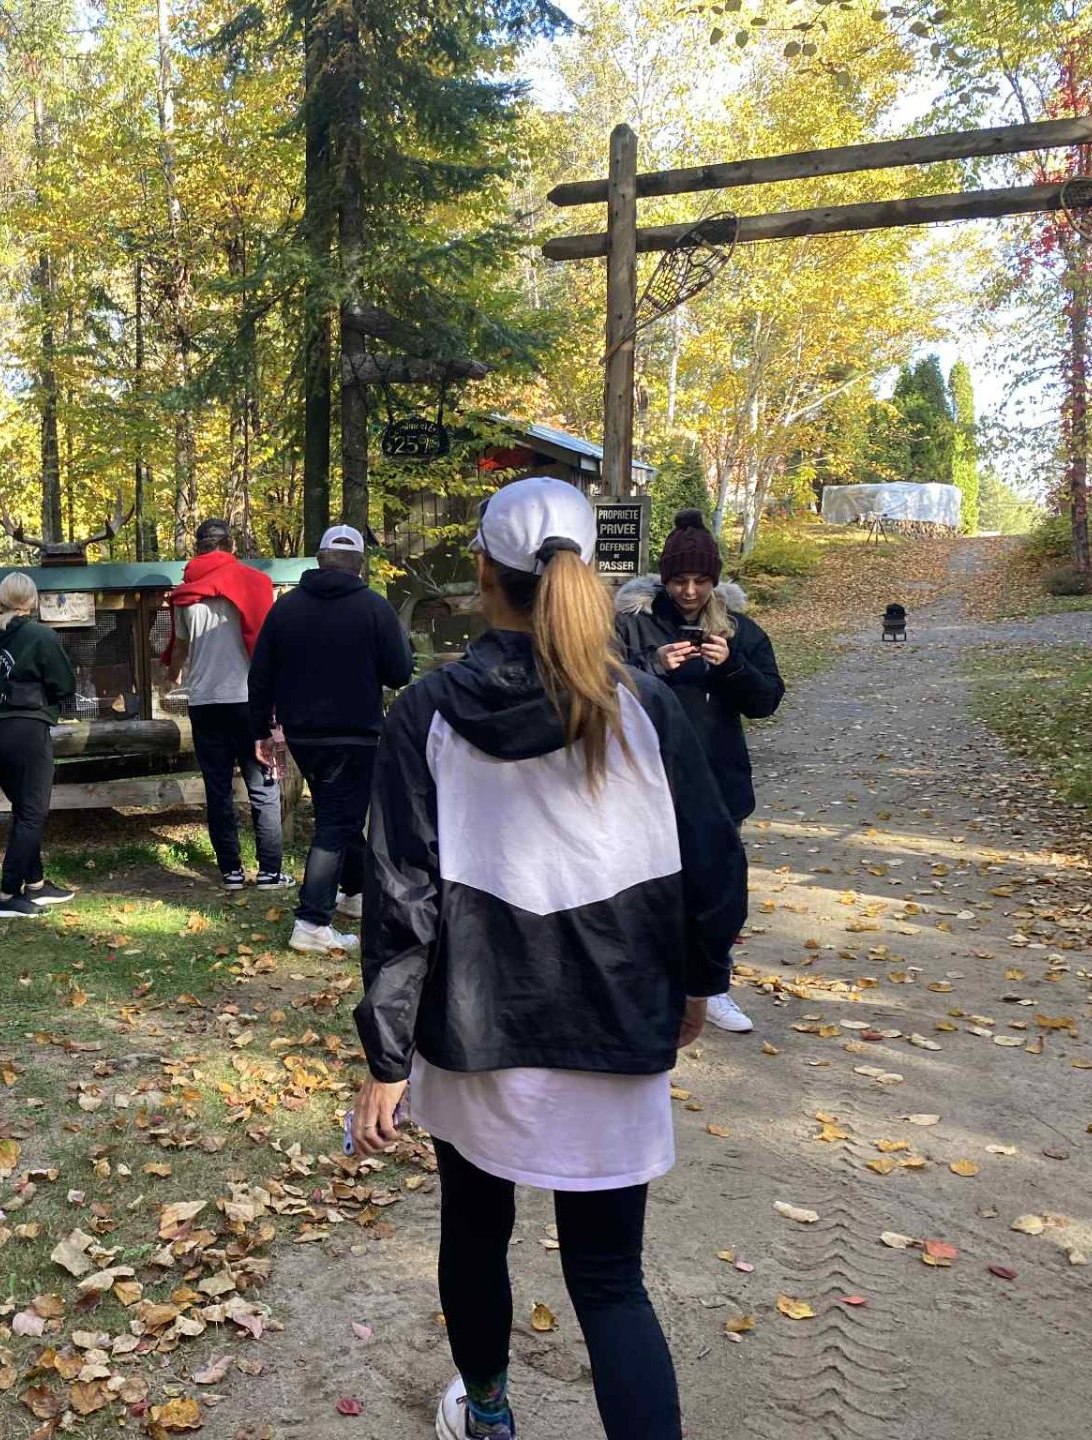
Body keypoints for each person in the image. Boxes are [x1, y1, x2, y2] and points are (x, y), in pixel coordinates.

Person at [349, 478, 747, 1440]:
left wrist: (386, 1057)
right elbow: (714, 862)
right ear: (588, 573)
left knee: (474, 1234)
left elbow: (400, 899)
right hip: (615, 1022)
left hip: (475, 1032)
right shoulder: (645, 706)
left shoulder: (428, 715)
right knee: (610, 1280)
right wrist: (700, 981)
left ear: (483, 572)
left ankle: (487, 1414)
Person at [613, 508, 784, 1034]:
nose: (689, 592)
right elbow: (599, 689)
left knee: (718, 893)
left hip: (718, 784)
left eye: (701, 580)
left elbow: (766, 701)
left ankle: (711, 987)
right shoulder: (632, 625)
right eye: (679, 580)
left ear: (715, 580)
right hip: (646, 783)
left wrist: (731, 665)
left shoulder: (740, 630)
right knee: (644, 888)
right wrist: (651, 668)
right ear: (664, 578)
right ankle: (646, 987)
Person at [248, 524, 413, 954]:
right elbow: (399, 672)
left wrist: (260, 730)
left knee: (337, 813)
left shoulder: (285, 610)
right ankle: (312, 922)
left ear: (319, 560)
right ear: (359, 563)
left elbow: (260, 675)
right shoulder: (375, 608)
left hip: (303, 735)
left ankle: (356, 892)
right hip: (355, 734)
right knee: (337, 823)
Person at [162, 518, 288, 890]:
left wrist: (172, 674)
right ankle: (269, 872)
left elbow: (180, 647)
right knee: (263, 785)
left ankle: (231, 871)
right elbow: (268, 642)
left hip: (204, 700)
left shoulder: (185, 595)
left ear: (198, 548)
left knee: (217, 789)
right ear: (230, 545)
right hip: (249, 699)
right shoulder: (255, 584)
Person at [0, 571, 77, 919]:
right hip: (27, 730)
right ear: (32, 600)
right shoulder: (40, 635)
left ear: (2, 598)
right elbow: (64, 683)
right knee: (33, 812)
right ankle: (7, 895)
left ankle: (35, 884)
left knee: (23, 808)